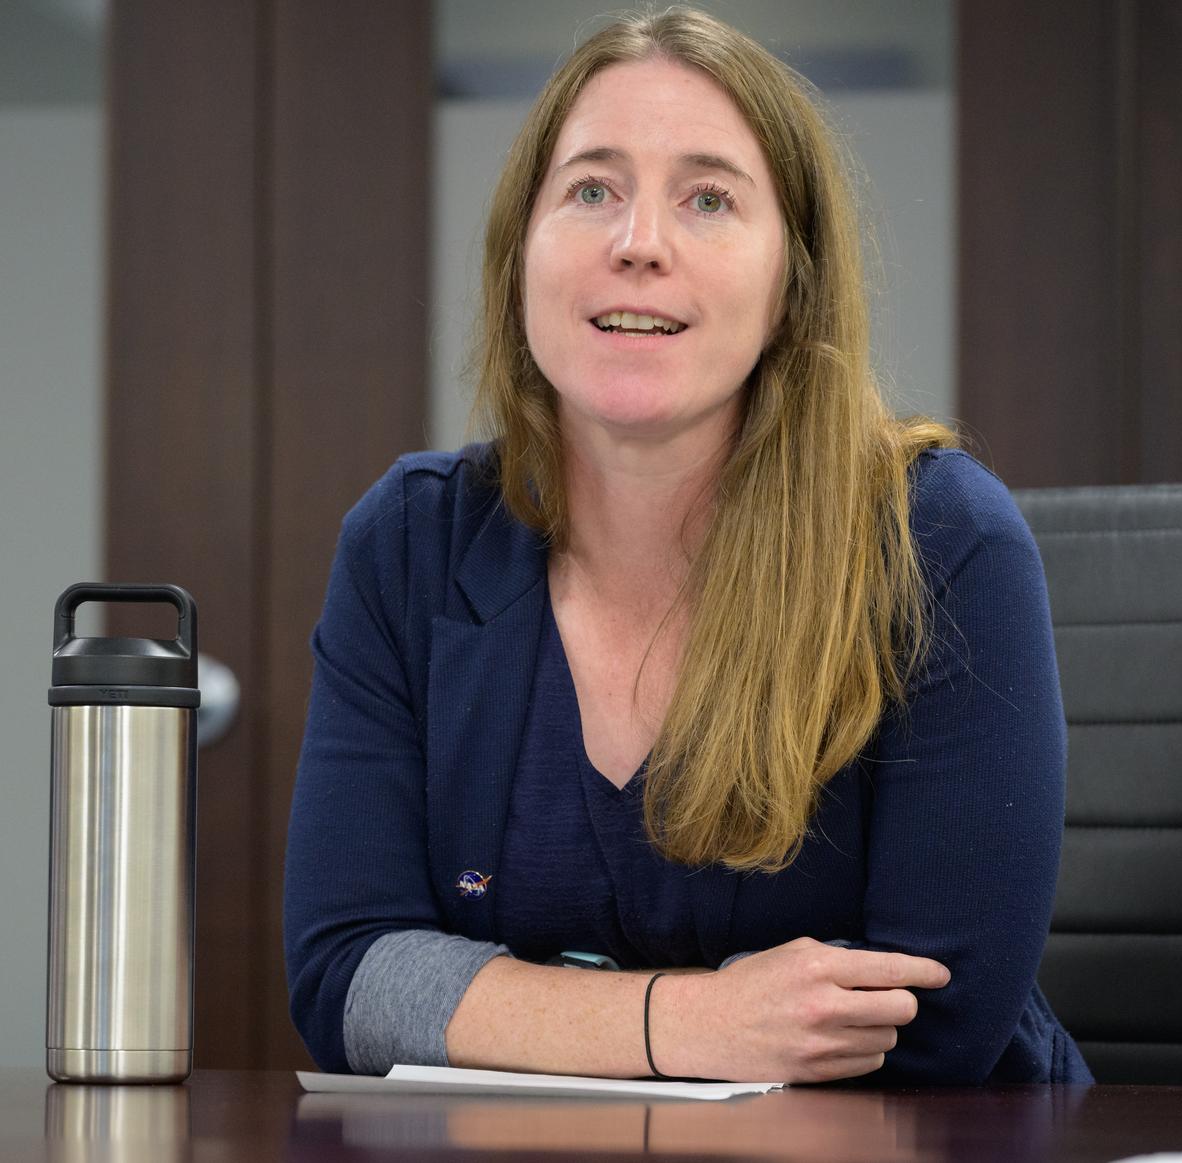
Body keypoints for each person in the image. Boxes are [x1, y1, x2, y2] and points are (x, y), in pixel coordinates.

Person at [284, 6, 1092, 1085]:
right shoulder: (409, 543)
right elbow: (347, 978)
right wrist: (689, 1020)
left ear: (792, 283)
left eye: (708, 198)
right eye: (592, 190)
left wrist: (509, 1013)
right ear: (521, 253)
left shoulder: (938, 543)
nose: (639, 242)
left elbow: (933, 1019)